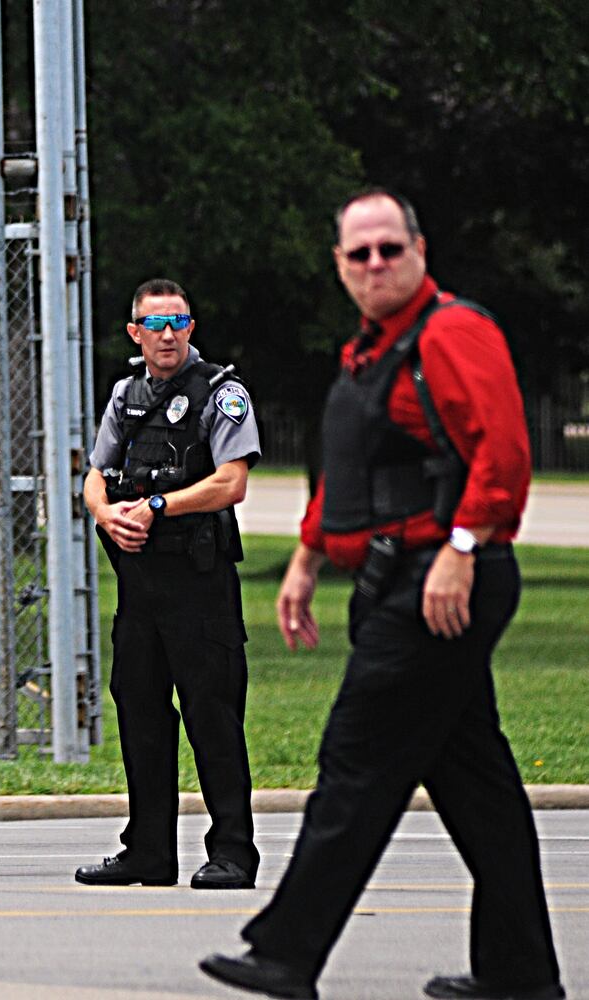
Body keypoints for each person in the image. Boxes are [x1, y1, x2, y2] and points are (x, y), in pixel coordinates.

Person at [201, 191, 564, 1000]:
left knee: (356, 759)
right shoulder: (370, 353)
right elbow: (350, 476)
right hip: (395, 578)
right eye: (358, 253)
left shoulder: (453, 333)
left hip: (441, 584)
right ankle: (520, 974)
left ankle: (285, 954)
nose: (374, 264)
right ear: (339, 264)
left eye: (388, 249)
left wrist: (463, 548)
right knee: (476, 787)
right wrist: (305, 560)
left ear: (418, 251)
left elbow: (502, 453)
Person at [77, 279, 260, 891]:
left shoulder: (220, 392)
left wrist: (157, 505)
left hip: (199, 584)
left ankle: (232, 852)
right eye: (154, 324)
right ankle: (148, 852)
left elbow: (231, 482)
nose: (167, 334)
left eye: (177, 322)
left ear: (191, 327)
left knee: (213, 716)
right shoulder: (126, 395)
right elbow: (96, 475)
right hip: (140, 588)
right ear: (135, 333)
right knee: (140, 712)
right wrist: (107, 515)